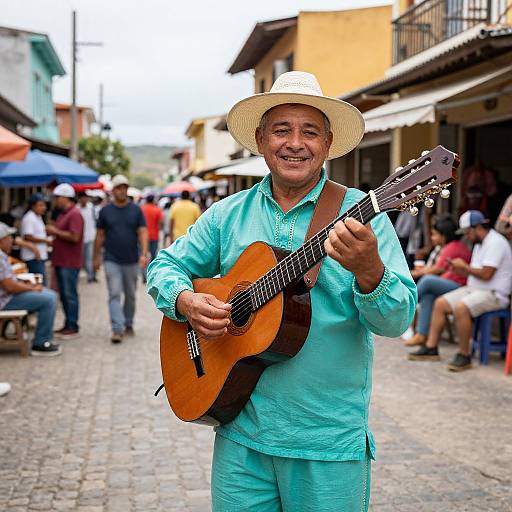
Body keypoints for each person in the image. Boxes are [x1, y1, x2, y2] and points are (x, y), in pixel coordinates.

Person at [147, 71, 416, 511]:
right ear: (260, 139)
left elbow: (397, 320)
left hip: (327, 441)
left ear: (328, 144)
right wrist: (185, 301)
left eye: (310, 131)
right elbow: (165, 265)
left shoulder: (364, 215)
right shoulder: (226, 215)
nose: (295, 143)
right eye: (281, 130)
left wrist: (370, 270)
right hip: (240, 434)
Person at [409, 210, 512, 371]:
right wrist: (459, 269)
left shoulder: (496, 242)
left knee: (461, 308)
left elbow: (486, 274)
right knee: (440, 303)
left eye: (467, 232)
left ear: (477, 227)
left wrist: (465, 268)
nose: (466, 236)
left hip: (494, 294)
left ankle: (465, 355)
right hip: (475, 289)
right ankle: (431, 348)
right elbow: (474, 272)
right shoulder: (480, 243)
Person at [94, 174, 148, 344]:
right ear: (113, 191)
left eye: (124, 187)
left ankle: (129, 322)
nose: (122, 191)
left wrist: (144, 254)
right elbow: (100, 235)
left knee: (131, 295)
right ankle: (117, 329)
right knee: (114, 294)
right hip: (111, 260)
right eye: (118, 188)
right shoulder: (105, 211)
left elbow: (142, 231)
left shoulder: (136, 209)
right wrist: (95, 258)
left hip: (131, 259)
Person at [405, 215, 472, 347]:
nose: (432, 237)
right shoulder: (448, 247)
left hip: (459, 286)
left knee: (428, 281)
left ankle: (405, 303)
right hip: (450, 284)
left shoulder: (453, 247)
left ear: (444, 235)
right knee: (428, 296)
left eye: (435, 234)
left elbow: (436, 270)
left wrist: (414, 273)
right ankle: (421, 334)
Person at [0, 222, 60, 356]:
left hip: (7, 296)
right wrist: (31, 288)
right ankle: (41, 342)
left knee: (47, 294)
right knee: (49, 299)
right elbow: (10, 286)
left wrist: (28, 286)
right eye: (9, 238)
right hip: (5, 300)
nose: (12, 241)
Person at [46, 184, 84, 339]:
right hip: (61, 260)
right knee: (64, 295)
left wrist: (55, 232)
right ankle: (68, 324)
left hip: (69, 262)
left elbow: (75, 237)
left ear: (64, 198)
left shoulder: (74, 214)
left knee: (70, 295)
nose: (55, 201)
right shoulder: (63, 214)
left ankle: (72, 325)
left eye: (57, 197)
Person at [20, 193, 51, 285]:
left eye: (44, 205)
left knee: (42, 282)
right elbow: (28, 236)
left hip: (39, 256)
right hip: (33, 257)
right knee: (40, 284)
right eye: (40, 205)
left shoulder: (38, 216)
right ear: (33, 206)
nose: (44, 207)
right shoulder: (29, 218)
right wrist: (46, 241)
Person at [141, 194, 163, 282]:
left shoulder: (141, 209)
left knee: (143, 255)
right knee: (153, 256)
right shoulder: (157, 209)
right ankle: (152, 276)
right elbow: (161, 223)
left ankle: (143, 275)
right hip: (154, 236)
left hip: (143, 237)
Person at [78, 192, 97, 283]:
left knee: (89, 258)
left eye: (86, 198)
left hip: (90, 237)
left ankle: (91, 276)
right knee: (81, 258)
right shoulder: (77, 209)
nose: (84, 200)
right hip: (80, 238)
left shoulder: (91, 208)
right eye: (83, 198)